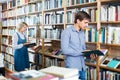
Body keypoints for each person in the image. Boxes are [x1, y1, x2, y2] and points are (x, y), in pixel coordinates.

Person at [61, 11, 97, 80]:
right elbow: (65, 50)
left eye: (88, 23)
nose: (87, 25)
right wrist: (82, 52)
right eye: (85, 22)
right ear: (78, 21)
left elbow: (83, 50)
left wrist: (89, 54)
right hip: (72, 68)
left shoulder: (82, 32)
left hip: (82, 67)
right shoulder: (66, 32)